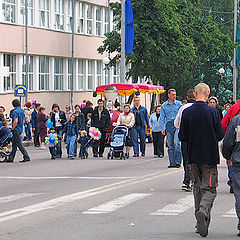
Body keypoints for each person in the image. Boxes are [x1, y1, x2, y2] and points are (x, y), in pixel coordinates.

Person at [179, 83, 224, 237]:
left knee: (197, 188)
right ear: (207, 93)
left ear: (195, 94)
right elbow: (220, 135)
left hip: (192, 157)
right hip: (209, 157)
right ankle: (203, 210)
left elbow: (182, 136)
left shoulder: (187, 112)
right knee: (210, 189)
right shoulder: (213, 112)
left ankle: (200, 223)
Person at [222, 114, 240, 237]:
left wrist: (228, 156)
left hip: (238, 162)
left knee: (239, 193)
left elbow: (228, 142)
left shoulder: (237, 120)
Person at [174, 89, 195, 191]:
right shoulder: (199, 108)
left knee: (186, 159)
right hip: (196, 138)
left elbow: (176, 123)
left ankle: (186, 180)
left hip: (185, 138)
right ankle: (192, 180)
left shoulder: (183, 108)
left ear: (187, 98)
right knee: (195, 160)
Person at [160, 89, 182, 168]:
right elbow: (162, 117)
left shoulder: (179, 104)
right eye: (172, 94)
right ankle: (172, 162)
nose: (174, 96)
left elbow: (181, 115)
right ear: (169, 95)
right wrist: (162, 128)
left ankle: (178, 162)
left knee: (176, 143)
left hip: (177, 125)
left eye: (175, 94)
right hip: (169, 125)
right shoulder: (164, 105)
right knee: (170, 145)